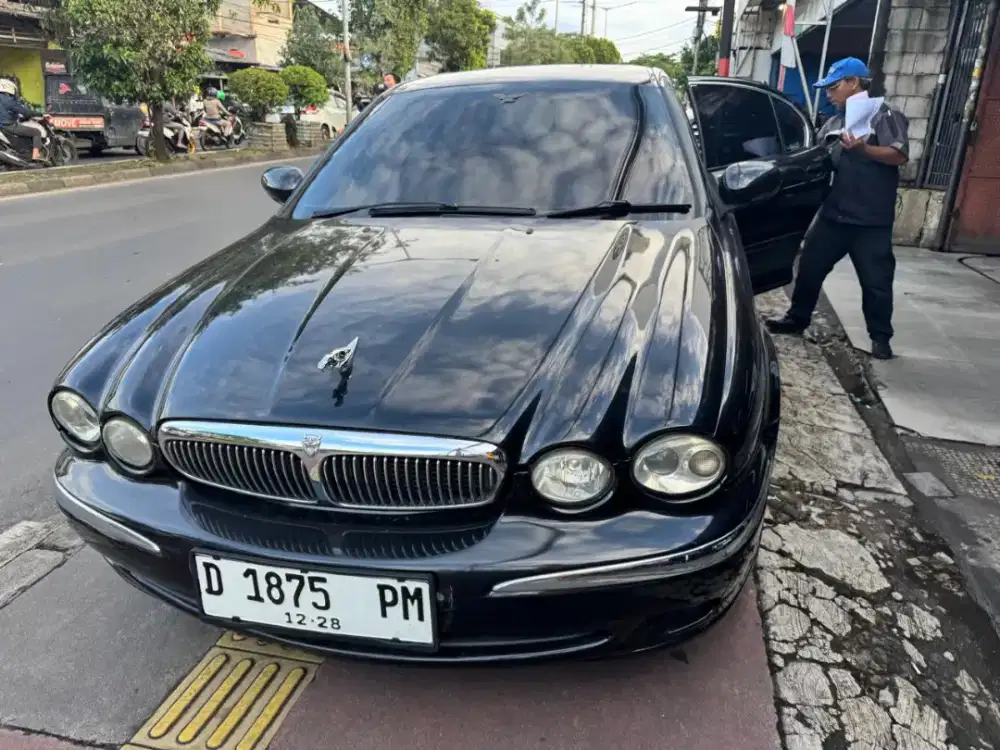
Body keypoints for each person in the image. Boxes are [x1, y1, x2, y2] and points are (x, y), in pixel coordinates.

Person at [765, 57, 910, 360]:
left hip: (871, 222)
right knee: (809, 269)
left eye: (833, 87)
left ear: (854, 83)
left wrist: (864, 149)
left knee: (876, 283)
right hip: (834, 216)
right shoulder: (833, 123)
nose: (829, 94)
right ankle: (797, 319)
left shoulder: (883, 115)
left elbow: (899, 155)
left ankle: (880, 339)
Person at [0, 77, 44, 161]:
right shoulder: (7, 100)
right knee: (36, 132)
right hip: (9, 126)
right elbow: (25, 112)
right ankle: (35, 156)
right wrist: (41, 114)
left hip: (3, 126)